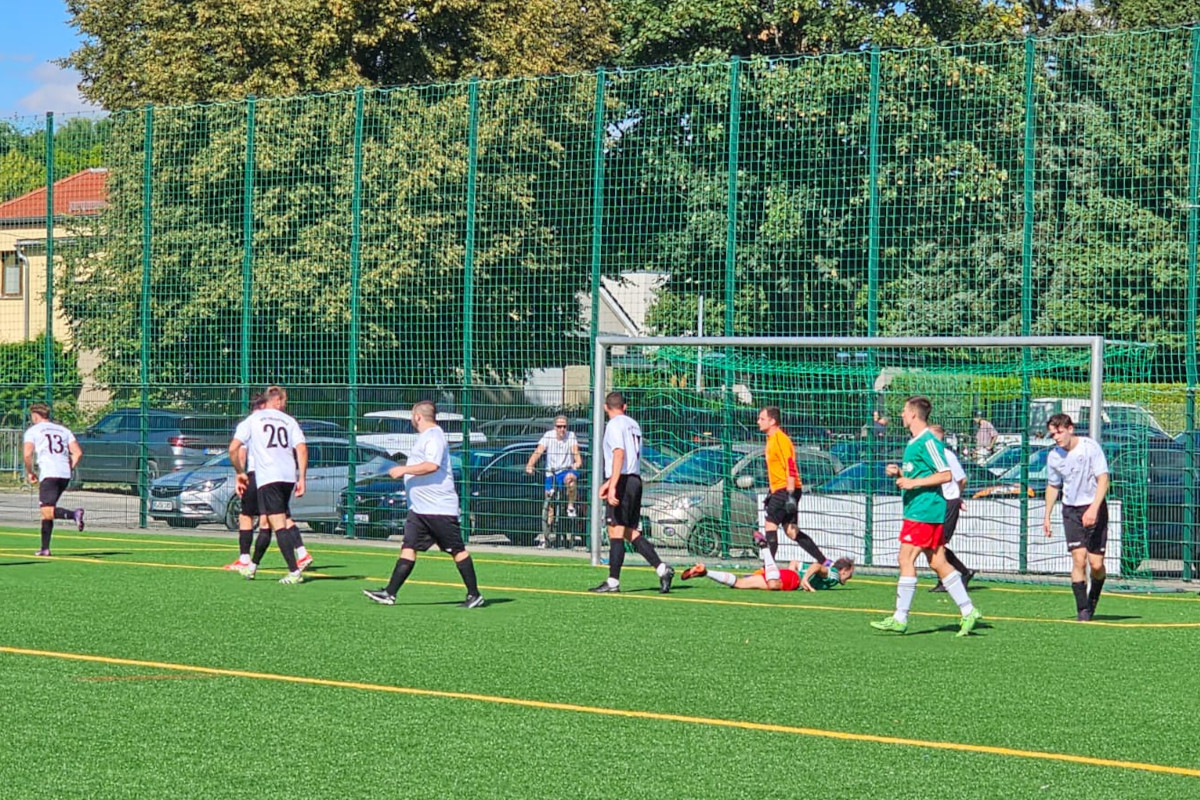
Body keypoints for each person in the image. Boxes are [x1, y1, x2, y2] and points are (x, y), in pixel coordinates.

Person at [870, 396, 982, 636]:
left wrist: (912, 483)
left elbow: (945, 475)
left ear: (912, 414)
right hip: (919, 508)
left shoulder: (929, 441)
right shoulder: (915, 442)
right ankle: (968, 610)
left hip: (924, 510)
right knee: (937, 562)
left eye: (903, 411)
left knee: (905, 558)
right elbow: (921, 474)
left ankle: (900, 617)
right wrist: (900, 473)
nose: (900, 415)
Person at [364, 401, 484, 608]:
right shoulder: (426, 437)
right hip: (420, 509)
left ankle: (474, 594)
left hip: (438, 509)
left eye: (412, 415)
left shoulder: (435, 437)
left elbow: (432, 465)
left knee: (457, 550)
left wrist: (404, 470)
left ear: (417, 416)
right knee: (408, 547)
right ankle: (390, 593)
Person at [589, 392, 674, 594]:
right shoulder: (633, 424)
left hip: (624, 480)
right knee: (629, 532)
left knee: (616, 530)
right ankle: (662, 569)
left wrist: (613, 484)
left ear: (605, 407)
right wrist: (610, 482)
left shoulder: (614, 425)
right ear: (625, 406)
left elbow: (619, 454)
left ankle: (613, 581)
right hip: (634, 480)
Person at [229, 386, 308, 585]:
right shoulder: (290, 421)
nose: (285, 405)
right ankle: (252, 566)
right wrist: (302, 478)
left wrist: (239, 473)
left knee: (278, 524)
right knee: (266, 523)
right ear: (278, 401)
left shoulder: (253, 419)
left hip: (268, 477)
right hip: (287, 477)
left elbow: (233, 448)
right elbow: (302, 448)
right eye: (285, 401)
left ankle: (294, 571)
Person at [1042, 413, 1110, 621]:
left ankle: (1093, 600)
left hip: (1094, 507)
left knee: (1096, 565)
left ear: (1070, 429)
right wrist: (1047, 515)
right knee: (1079, 559)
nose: (1056, 437)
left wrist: (1094, 509)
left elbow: (1103, 479)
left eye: (1059, 432)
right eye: (1053, 434)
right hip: (1071, 510)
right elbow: (1053, 486)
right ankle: (1083, 610)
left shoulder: (1090, 448)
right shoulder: (1054, 456)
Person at [756, 406, 827, 564]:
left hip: (786, 489)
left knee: (770, 524)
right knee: (791, 531)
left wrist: (789, 495)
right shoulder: (770, 440)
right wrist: (771, 492)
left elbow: (790, 466)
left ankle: (769, 567)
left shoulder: (780, 440)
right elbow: (777, 470)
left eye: (762, 418)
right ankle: (825, 562)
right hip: (782, 489)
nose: (758, 422)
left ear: (772, 421)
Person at [23, 403, 84, 556]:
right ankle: (45, 548)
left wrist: (30, 472)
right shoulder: (64, 430)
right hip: (64, 474)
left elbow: (27, 454)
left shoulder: (33, 431)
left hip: (49, 473)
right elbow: (77, 453)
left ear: (35, 415)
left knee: (47, 510)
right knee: (47, 511)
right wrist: (68, 467)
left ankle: (74, 514)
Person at [928, 424, 976, 593]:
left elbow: (962, 479)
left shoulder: (947, 455)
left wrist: (956, 496)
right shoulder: (929, 455)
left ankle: (954, 576)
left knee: (938, 544)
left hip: (949, 503)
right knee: (933, 544)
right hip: (936, 504)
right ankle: (961, 573)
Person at [525, 415, 583, 543]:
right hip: (551, 473)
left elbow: (576, 454)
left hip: (566, 470)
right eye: (559, 426)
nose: (562, 429)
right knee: (549, 502)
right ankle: (546, 534)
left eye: (564, 426)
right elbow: (538, 451)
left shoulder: (571, 436)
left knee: (571, 479)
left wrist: (576, 463)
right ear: (554, 427)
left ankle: (570, 505)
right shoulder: (548, 436)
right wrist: (530, 464)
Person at [681, 557, 855, 591]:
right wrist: (804, 580)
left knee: (740, 584)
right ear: (844, 570)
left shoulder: (832, 576)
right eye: (850, 575)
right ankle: (766, 550)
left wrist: (797, 575)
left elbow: (794, 562)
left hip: (788, 576)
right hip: (790, 579)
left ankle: (706, 572)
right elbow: (818, 565)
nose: (850, 578)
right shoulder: (833, 576)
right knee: (773, 585)